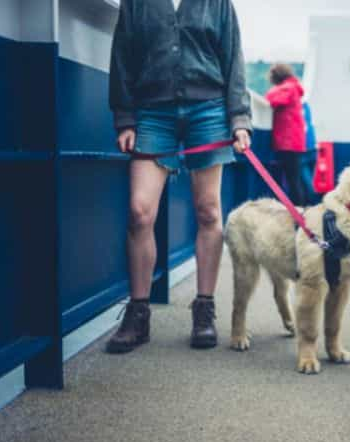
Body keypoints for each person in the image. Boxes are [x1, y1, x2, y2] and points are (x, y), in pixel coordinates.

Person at [105, 0, 251, 353]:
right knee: (140, 212)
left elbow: (233, 59)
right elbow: (122, 55)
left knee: (208, 211)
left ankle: (204, 309)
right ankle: (138, 314)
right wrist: (125, 118)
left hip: (209, 109)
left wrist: (240, 120)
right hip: (152, 112)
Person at [265, 64, 308, 206]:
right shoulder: (294, 87)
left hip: (288, 143)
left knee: (292, 180)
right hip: (293, 142)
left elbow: (273, 99)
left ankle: (298, 211)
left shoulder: (288, 88)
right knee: (294, 179)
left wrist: (270, 93)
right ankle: (299, 210)